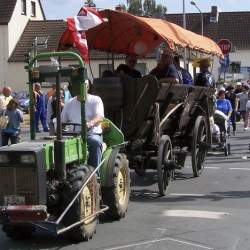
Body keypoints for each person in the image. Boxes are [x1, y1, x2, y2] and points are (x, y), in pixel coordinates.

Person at [61, 80, 104, 168]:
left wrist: (90, 124)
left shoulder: (95, 100)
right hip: (74, 136)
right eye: (77, 86)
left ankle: (95, 176)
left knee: (94, 142)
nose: (80, 88)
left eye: (84, 85)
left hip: (91, 133)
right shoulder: (69, 103)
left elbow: (99, 117)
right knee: (60, 146)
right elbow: (62, 122)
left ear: (88, 87)